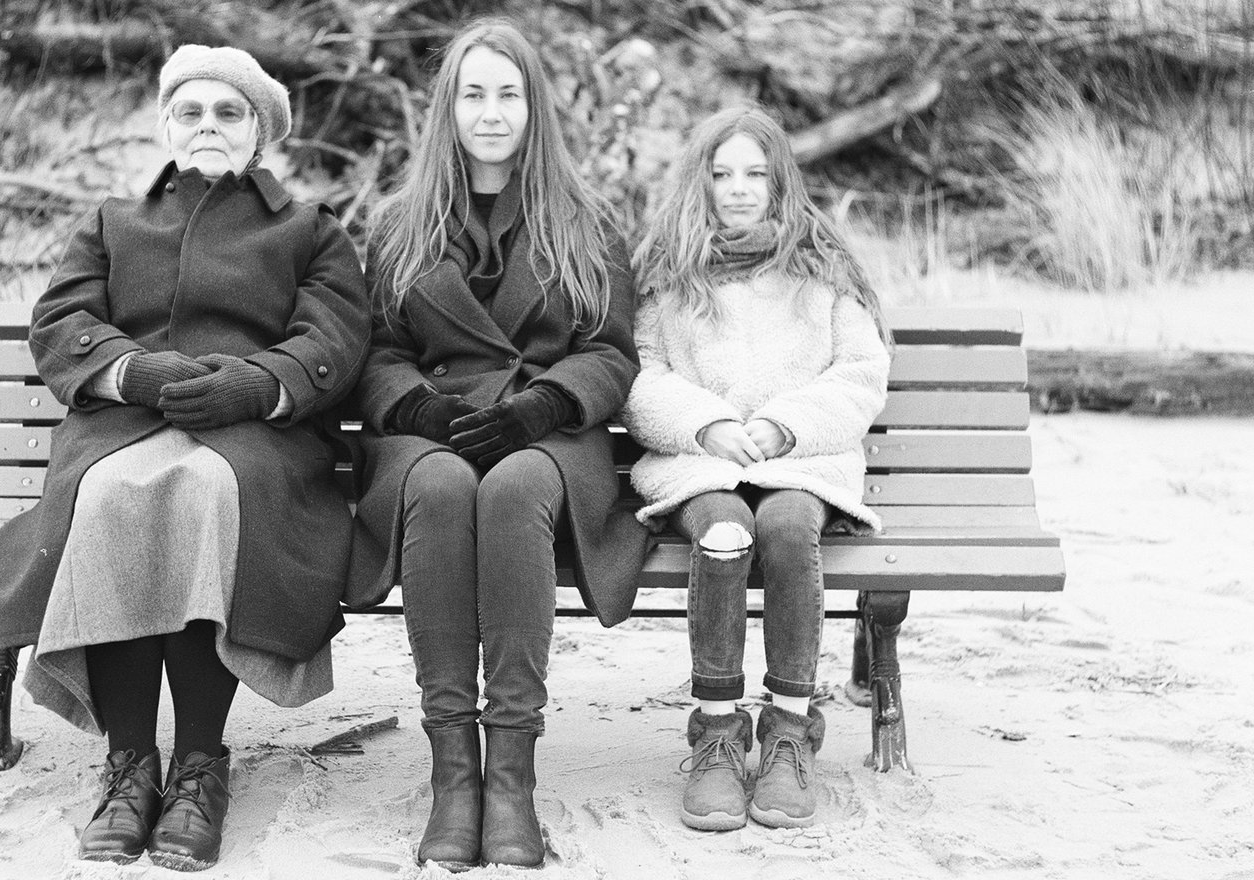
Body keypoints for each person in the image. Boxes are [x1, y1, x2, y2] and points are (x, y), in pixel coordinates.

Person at [0, 45, 369, 871]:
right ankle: (130, 765)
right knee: (113, 497)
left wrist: (256, 385)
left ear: (259, 133)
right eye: (190, 112)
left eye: (229, 114)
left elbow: (335, 337)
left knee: (201, 490)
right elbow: (60, 322)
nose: (207, 127)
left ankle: (199, 764)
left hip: (254, 441)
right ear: (166, 124)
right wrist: (132, 369)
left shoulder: (310, 230)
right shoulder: (113, 222)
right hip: (123, 427)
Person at [346, 18, 647, 871]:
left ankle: (510, 777)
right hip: (431, 435)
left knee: (513, 487)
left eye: (507, 94)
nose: (490, 112)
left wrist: (544, 406)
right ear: (448, 108)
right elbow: (377, 352)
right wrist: (420, 411)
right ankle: (455, 776)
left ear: (533, 106)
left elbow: (612, 350)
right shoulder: (402, 224)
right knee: (441, 489)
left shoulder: (584, 222)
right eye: (472, 94)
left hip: (549, 439)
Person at [620, 105, 891, 832]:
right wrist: (706, 423)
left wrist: (783, 425)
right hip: (700, 465)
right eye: (722, 174)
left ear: (779, 182)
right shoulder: (670, 273)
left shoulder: (821, 267)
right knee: (725, 533)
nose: (739, 188)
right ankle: (715, 730)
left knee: (787, 523)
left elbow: (862, 372)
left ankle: (789, 729)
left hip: (801, 463)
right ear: (700, 183)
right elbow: (639, 375)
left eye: (755, 173)